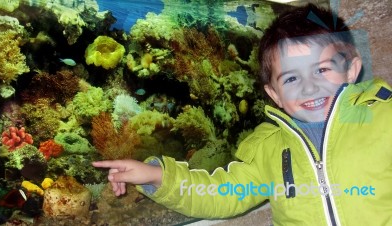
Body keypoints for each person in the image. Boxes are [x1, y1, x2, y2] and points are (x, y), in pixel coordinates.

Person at [93, 4, 392, 225]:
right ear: (274, 95)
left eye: (322, 70)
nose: (309, 87)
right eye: (290, 79)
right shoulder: (269, 148)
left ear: (351, 70)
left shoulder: (384, 118)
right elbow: (223, 193)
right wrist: (157, 177)